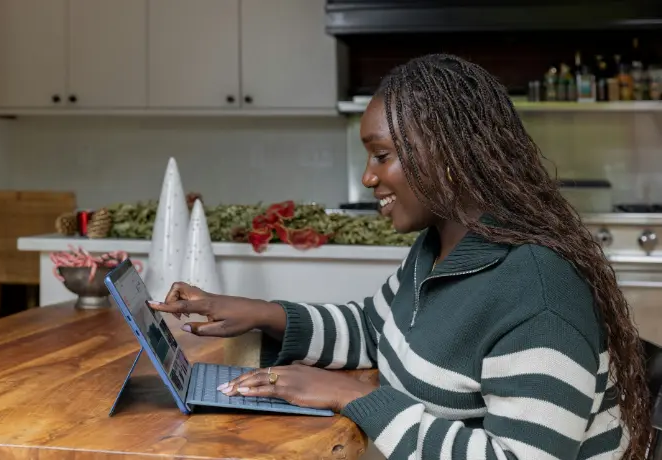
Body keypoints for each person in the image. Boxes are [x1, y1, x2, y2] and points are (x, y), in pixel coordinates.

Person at [148, 54, 650, 460]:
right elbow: (377, 328)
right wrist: (260, 313)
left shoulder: (536, 292)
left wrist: (353, 396)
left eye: (382, 156)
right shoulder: (438, 248)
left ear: (449, 154)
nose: (369, 177)